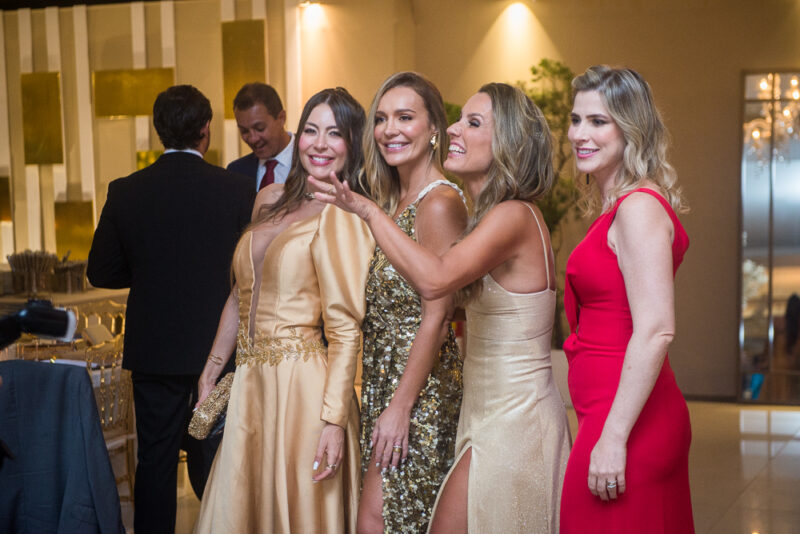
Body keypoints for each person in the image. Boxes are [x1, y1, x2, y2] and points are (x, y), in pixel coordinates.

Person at [312, 82, 571, 533]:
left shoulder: (512, 215)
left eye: (473, 123)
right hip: (485, 408)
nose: (455, 129)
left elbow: (434, 284)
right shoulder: (491, 215)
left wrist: (368, 212)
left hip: (515, 418)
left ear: (508, 141)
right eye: (459, 119)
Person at [193, 87, 374, 533]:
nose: (318, 142)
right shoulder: (269, 198)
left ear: (352, 143)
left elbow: (346, 329)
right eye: (311, 129)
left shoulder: (346, 214)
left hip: (304, 392)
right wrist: (212, 369)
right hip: (251, 383)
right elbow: (240, 294)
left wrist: (333, 421)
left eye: (334, 133)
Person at [87, 85, 254, 534]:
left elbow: (100, 271)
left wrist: (149, 272)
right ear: (206, 131)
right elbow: (249, 272)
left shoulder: (125, 191)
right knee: (216, 454)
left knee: (156, 459)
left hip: (155, 349)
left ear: (159, 132)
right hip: (217, 347)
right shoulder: (237, 190)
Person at [559, 65, 694, 532]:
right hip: (611, 409)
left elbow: (656, 329)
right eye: (576, 120)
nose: (580, 134)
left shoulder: (637, 208)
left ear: (631, 129)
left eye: (599, 122)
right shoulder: (619, 206)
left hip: (629, 421)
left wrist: (613, 436)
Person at [347, 71, 468, 534]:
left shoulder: (438, 203)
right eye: (381, 119)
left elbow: (439, 318)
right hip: (384, 383)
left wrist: (400, 407)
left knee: (380, 520)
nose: (389, 129)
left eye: (405, 117)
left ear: (434, 128)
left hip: (420, 391)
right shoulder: (393, 201)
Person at [227, 82, 294, 190]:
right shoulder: (236, 172)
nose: (253, 139)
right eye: (244, 131)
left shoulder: (312, 162)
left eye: (259, 128)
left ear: (281, 118)